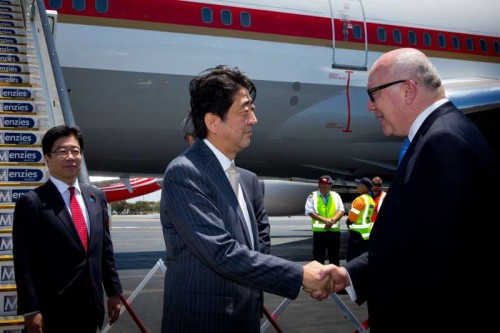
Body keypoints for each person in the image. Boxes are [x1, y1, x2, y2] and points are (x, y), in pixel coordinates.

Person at [316, 48, 498, 331]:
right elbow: (412, 242)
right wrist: (349, 275)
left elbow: (439, 266)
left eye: (373, 94)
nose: (370, 106)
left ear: (408, 90)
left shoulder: (443, 141)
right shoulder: (436, 135)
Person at [160, 65, 332, 333]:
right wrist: (299, 276)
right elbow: (221, 252)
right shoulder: (186, 172)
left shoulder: (241, 176)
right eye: (245, 110)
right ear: (213, 122)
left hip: (244, 317)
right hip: (204, 323)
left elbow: (258, 242)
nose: (254, 119)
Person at [12, 125, 123, 333]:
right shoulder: (32, 202)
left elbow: (104, 250)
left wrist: (114, 292)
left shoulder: (96, 197)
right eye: (62, 151)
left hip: (91, 308)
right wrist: (31, 310)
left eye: (75, 151)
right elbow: (23, 263)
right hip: (52, 313)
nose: (70, 156)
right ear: (47, 157)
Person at [304, 175, 345, 265]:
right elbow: (309, 212)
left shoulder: (335, 195)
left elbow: (341, 210)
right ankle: (319, 278)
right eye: (328, 184)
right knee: (318, 259)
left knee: (334, 258)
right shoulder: (313, 196)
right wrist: (326, 221)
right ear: (321, 185)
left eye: (330, 184)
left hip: (334, 232)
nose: (330, 186)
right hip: (320, 233)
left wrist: (332, 221)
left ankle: (334, 278)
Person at [346, 177, 374, 261]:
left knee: (352, 258)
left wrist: (348, 221)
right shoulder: (371, 200)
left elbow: (352, 218)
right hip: (366, 234)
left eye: (359, 184)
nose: (357, 186)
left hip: (357, 234)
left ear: (364, 186)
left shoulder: (360, 199)